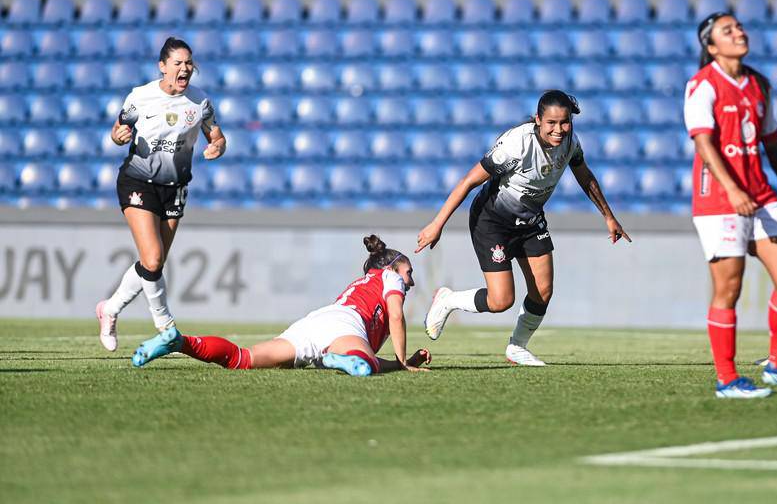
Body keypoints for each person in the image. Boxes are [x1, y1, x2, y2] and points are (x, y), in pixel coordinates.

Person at [415, 90, 631, 367]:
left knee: (543, 290)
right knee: (501, 300)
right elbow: (470, 180)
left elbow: (585, 176)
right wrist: (437, 224)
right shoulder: (516, 144)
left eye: (564, 122)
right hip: (492, 222)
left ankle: (517, 347)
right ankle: (448, 299)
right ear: (538, 120)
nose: (559, 129)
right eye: (551, 123)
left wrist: (608, 217)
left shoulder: (570, 144)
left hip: (529, 221)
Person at [685, 12, 777, 399]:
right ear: (711, 47)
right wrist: (733, 189)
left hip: (760, 194)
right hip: (719, 199)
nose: (739, 32)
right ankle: (727, 379)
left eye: (740, 26)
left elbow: (771, 142)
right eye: (728, 30)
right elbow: (704, 145)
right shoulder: (702, 85)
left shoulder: (758, 83)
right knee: (729, 287)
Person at [130, 235, 433, 375]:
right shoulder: (389, 278)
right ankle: (335, 359)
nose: (411, 281)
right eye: (409, 273)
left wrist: (404, 364)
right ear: (393, 267)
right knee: (365, 366)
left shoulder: (362, 283)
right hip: (344, 326)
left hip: (312, 323)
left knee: (242, 358)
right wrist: (404, 361)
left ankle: (180, 341)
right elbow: (395, 315)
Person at [95, 37, 226, 352]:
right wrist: (118, 135)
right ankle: (165, 324)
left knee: (153, 263)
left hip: (175, 187)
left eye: (189, 63)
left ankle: (110, 308)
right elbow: (117, 131)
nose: (185, 69)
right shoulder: (141, 97)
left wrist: (217, 146)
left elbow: (217, 135)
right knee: (153, 258)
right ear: (163, 67)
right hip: (138, 181)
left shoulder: (200, 102)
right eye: (178, 63)